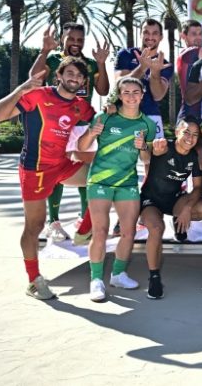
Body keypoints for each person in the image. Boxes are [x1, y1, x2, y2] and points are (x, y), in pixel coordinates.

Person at [0, 58, 95, 300]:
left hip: (61, 165)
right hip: (34, 169)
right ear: (59, 76)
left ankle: (83, 230)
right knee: (34, 226)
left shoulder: (80, 106)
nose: (74, 78)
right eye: (69, 73)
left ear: (82, 82)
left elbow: (103, 117)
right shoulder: (37, 95)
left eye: (79, 76)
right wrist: (22, 88)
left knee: (100, 177)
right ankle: (34, 281)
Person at [76, 76, 156, 302]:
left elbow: (146, 157)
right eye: (126, 92)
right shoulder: (105, 117)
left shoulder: (148, 125)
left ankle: (118, 274)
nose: (131, 96)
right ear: (120, 96)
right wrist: (92, 132)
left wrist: (142, 148)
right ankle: (96, 280)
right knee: (100, 230)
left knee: (129, 232)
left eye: (135, 92)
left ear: (142, 95)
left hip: (127, 182)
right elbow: (81, 146)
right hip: (100, 181)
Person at [28, 23, 109, 244]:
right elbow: (34, 77)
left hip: (82, 123)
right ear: (63, 38)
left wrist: (101, 63)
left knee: (88, 172)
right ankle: (53, 222)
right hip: (57, 124)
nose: (75, 43)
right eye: (71, 38)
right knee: (55, 172)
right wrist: (44, 51)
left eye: (79, 40)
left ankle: (84, 221)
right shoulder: (53, 60)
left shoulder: (90, 64)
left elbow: (103, 90)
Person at [139, 117, 202, 299]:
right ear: (176, 132)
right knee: (156, 228)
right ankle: (154, 277)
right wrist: (148, 148)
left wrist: (186, 210)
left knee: (201, 209)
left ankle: (178, 221)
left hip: (174, 200)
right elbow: (146, 155)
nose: (190, 138)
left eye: (195, 135)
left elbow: (198, 187)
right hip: (150, 200)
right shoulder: (163, 146)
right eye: (186, 133)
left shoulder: (194, 157)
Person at [114, 18, 174, 138]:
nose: (150, 37)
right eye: (146, 32)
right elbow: (119, 83)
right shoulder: (125, 55)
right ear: (140, 34)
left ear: (161, 37)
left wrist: (155, 72)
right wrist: (142, 68)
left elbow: (158, 95)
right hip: (124, 115)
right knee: (124, 155)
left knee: (154, 155)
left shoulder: (164, 64)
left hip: (151, 117)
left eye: (155, 33)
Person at [176, 19, 202, 120]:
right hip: (189, 116)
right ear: (183, 36)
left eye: (200, 34)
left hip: (201, 115)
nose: (198, 38)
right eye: (194, 34)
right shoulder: (187, 54)